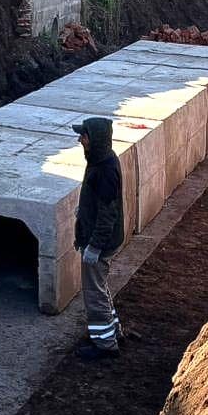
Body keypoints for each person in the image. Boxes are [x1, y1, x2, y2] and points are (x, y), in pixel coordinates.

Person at [73, 116, 124, 361]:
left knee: (93, 292)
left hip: (100, 243)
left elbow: (107, 214)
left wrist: (94, 246)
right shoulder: (100, 161)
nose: (79, 139)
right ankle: (113, 331)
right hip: (98, 238)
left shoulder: (105, 170)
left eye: (83, 136)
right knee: (100, 287)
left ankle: (104, 344)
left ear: (95, 140)